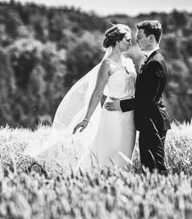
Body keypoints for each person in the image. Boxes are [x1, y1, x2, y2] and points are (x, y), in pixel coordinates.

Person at [28, 23, 137, 172]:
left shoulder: (129, 62)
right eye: (128, 40)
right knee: (109, 150)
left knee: (126, 152)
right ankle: (91, 178)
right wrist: (86, 119)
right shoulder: (107, 64)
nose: (131, 43)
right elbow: (97, 93)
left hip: (129, 114)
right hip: (113, 114)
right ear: (118, 41)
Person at [105, 20, 169, 173]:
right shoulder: (152, 60)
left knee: (156, 168)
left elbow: (147, 99)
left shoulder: (155, 63)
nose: (136, 41)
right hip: (148, 121)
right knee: (149, 168)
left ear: (151, 38)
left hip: (152, 121)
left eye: (140, 37)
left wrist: (122, 105)